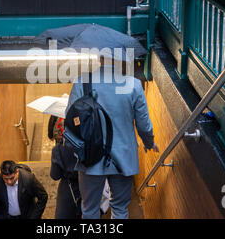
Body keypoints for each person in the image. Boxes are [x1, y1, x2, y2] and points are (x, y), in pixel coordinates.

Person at [64, 61, 159, 219]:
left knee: (89, 209)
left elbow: (70, 120)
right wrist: (149, 143)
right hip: (123, 158)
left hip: (89, 158)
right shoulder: (134, 85)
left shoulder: (82, 82)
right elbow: (144, 125)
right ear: (120, 61)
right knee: (120, 208)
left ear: (100, 60)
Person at [50, 131, 82, 219]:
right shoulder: (90, 144)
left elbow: (55, 175)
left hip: (67, 189)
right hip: (89, 185)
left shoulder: (58, 149)